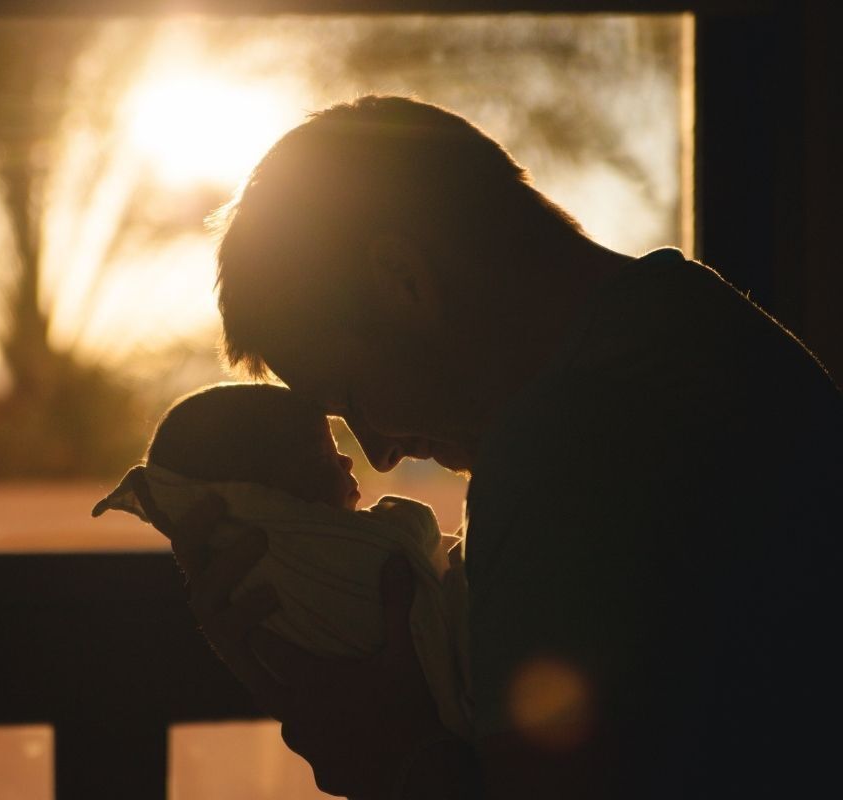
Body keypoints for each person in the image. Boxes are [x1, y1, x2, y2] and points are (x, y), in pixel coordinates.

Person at [158, 95, 843, 799]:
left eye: (353, 401)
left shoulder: (565, 446)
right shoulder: (710, 334)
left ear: (403, 280)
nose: (380, 454)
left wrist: (384, 750)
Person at [92, 382, 474, 742]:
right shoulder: (317, 557)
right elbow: (416, 539)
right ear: (258, 499)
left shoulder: (253, 583)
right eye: (321, 454)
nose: (352, 459)